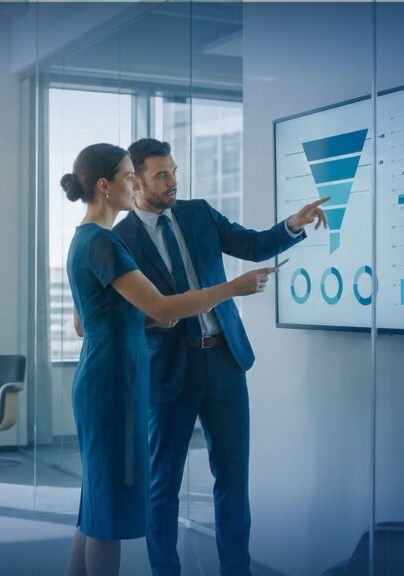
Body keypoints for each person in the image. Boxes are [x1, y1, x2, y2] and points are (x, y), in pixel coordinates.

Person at [113, 138, 329, 576]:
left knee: (233, 479)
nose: (173, 181)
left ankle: (237, 570)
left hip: (224, 359)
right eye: (162, 175)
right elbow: (123, 317)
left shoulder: (198, 213)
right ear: (135, 181)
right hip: (168, 369)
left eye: (174, 171)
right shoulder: (119, 240)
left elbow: (250, 244)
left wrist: (291, 224)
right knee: (163, 485)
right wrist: (159, 319)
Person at [62, 143, 276, 576]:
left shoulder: (87, 238)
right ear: (108, 185)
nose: (134, 184)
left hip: (122, 372)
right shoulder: (106, 242)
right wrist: (231, 289)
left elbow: (88, 321)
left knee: (96, 507)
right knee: (109, 512)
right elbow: (161, 309)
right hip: (118, 379)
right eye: (128, 177)